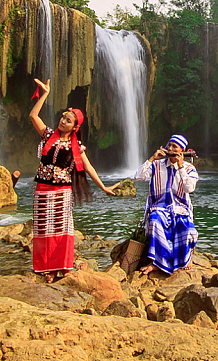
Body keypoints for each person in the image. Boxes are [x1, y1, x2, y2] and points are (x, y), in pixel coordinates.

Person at [29, 78, 118, 282]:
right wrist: (45, 94)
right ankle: (46, 268)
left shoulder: (76, 147)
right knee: (43, 229)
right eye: (63, 117)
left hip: (62, 192)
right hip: (42, 188)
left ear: (75, 127)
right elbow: (33, 115)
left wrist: (103, 187)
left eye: (68, 120)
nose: (63, 121)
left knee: (61, 230)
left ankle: (59, 267)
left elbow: (88, 167)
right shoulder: (48, 135)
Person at [134, 134, 199, 275]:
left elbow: (189, 188)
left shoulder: (189, 168)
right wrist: (152, 159)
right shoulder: (157, 165)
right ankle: (156, 262)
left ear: (182, 150)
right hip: (159, 207)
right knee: (155, 221)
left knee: (188, 229)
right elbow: (138, 176)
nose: (170, 148)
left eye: (174, 146)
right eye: (169, 145)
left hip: (180, 208)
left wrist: (180, 167)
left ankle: (188, 257)